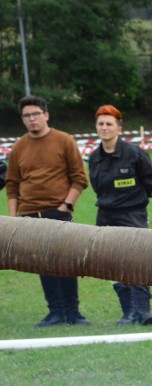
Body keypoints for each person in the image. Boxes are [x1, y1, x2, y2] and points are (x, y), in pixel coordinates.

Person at [4, 95, 90, 327]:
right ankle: (55, 311)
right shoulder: (19, 146)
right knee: (42, 264)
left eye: (35, 114)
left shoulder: (64, 140)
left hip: (59, 212)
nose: (31, 119)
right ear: (22, 119)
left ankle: (73, 313)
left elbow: (80, 178)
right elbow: (12, 184)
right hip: (29, 215)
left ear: (46, 115)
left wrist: (66, 206)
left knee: (66, 262)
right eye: (26, 116)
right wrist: (14, 217)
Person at [89, 105, 152, 325]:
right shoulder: (94, 157)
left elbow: (151, 178)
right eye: (101, 124)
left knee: (136, 261)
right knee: (111, 263)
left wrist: (137, 199)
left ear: (119, 127)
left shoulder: (133, 152)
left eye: (109, 124)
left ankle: (143, 310)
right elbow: (96, 185)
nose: (104, 128)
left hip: (132, 214)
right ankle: (128, 312)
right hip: (105, 216)